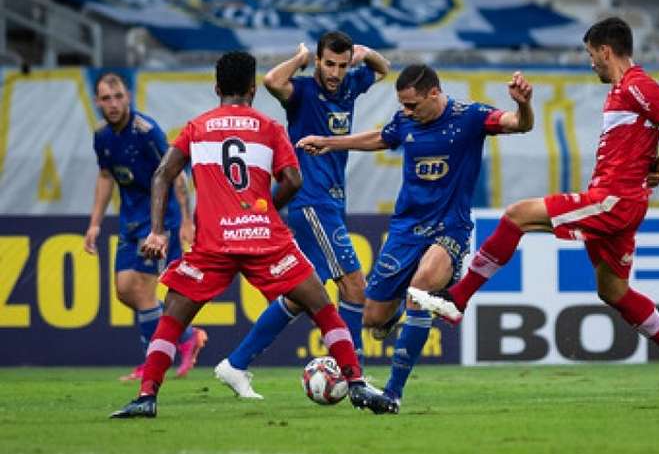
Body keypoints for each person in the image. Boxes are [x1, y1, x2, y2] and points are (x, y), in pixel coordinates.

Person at [408, 17, 659, 402]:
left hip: (614, 199)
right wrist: (651, 168)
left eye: (590, 55)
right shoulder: (623, 90)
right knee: (613, 291)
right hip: (620, 200)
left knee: (517, 215)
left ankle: (458, 299)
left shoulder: (637, 85)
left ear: (605, 50)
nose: (591, 63)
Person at [110, 51, 395, 418]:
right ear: (251, 89)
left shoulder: (196, 128)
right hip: (264, 238)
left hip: (213, 242)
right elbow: (294, 180)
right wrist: (268, 208)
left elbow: (163, 174)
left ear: (216, 88)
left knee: (172, 317)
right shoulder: (269, 128)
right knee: (321, 305)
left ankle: (147, 396)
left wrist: (156, 230)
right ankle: (356, 384)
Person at [297, 63, 535, 412]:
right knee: (374, 320)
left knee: (421, 290)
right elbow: (381, 137)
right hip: (405, 230)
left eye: (412, 105)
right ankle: (396, 316)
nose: (406, 112)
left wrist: (524, 104)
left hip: (448, 228)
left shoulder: (470, 117)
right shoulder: (406, 120)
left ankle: (392, 393)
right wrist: (330, 143)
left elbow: (520, 124)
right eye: (402, 105)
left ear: (434, 94)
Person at [214, 31, 390, 399]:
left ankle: (236, 363)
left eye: (342, 65)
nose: (336, 73)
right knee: (354, 286)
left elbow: (383, 69)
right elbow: (271, 81)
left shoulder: (350, 85)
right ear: (320, 61)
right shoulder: (302, 93)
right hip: (312, 202)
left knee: (300, 296)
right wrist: (301, 58)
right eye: (329, 64)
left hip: (333, 202)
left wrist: (365, 54)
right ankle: (353, 372)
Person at [85, 72, 206, 381]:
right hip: (130, 222)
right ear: (97, 102)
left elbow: (174, 173)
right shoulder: (102, 138)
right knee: (125, 290)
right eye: (106, 98)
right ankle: (187, 336)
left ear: (128, 98)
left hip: (159, 222)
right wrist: (95, 224)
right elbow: (104, 177)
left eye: (118, 97)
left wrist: (187, 220)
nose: (113, 104)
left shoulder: (146, 132)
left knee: (142, 290)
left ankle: (152, 363)